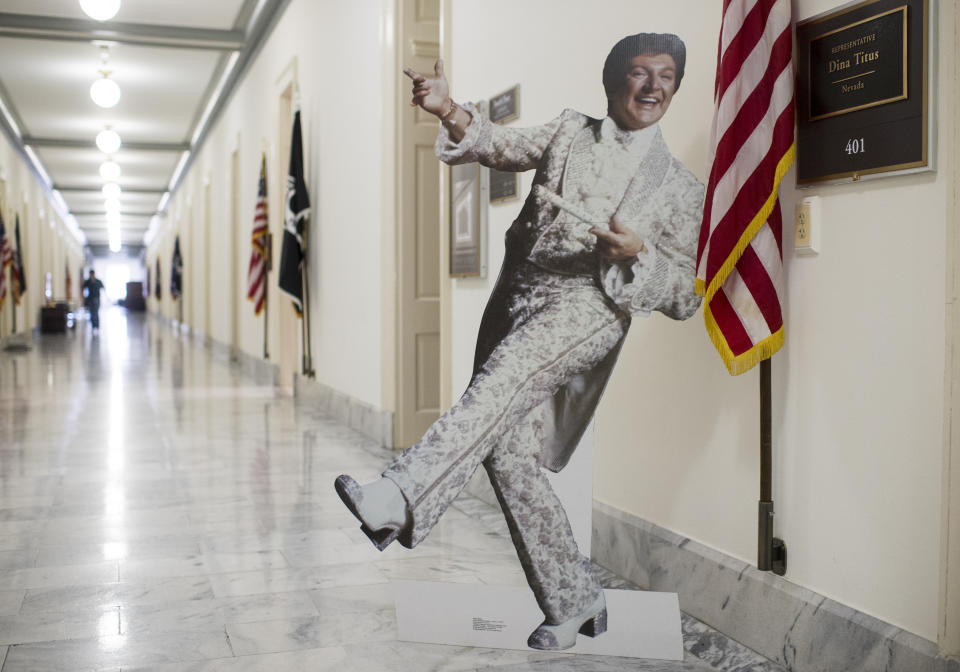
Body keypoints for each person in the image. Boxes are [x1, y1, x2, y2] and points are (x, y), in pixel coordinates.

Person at [336, 33, 704, 651]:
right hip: (519, 294)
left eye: (664, 75)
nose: (651, 87)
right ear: (613, 82)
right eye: (639, 73)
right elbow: (500, 146)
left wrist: (639, 256)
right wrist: (450, 110)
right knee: (505, 451)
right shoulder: (567, 130)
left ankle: (398, 494)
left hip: (593, 303)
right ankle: (573, 599)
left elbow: (687, 293)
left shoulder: (680, 187)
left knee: (502, 381)